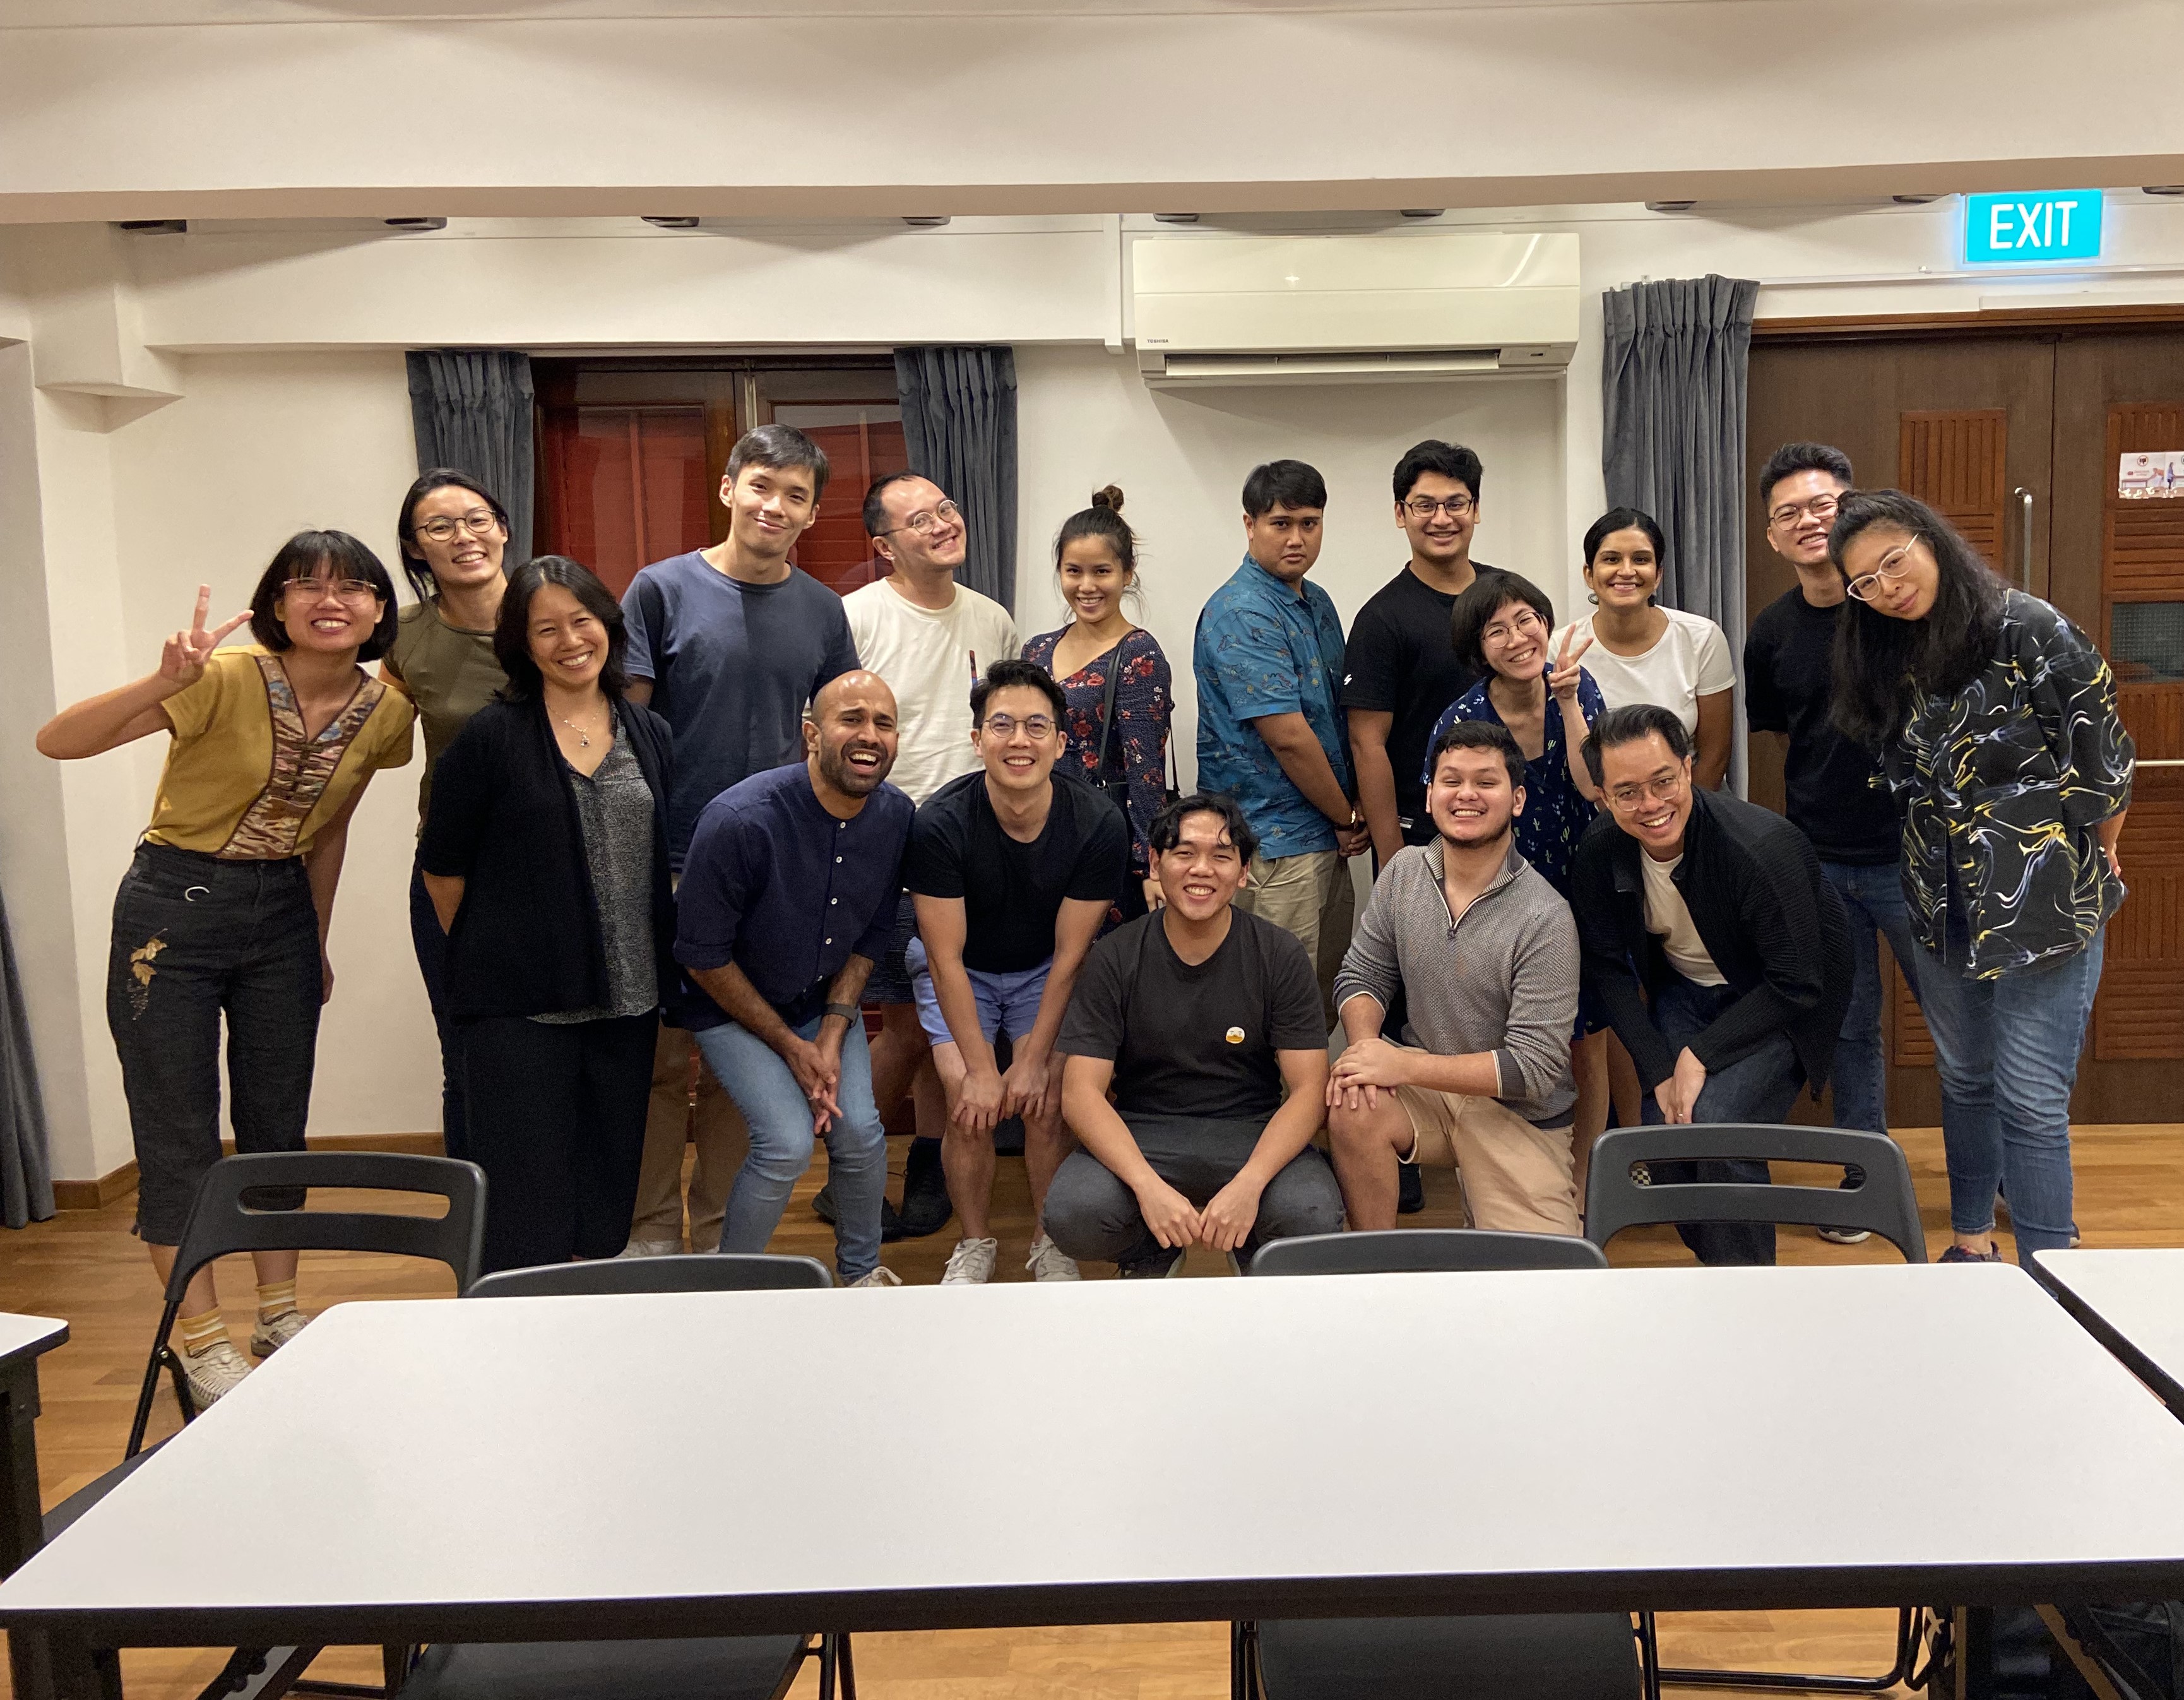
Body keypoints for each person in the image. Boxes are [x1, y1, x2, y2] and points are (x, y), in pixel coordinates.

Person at [37, 537, 414, 1405]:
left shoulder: (387, 712)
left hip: (281, 914)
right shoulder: (225, 677)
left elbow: (330, 828)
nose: (333, 599)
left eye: (355, 587)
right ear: (276, 605)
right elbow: (57, 742)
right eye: (308, 585)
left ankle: (277, 1311)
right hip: (171, 910)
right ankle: (199, 1338)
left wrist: (314, 938)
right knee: (178, 1127)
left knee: (278, 1118)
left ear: (378, 611)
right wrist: (162, 682)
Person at [1831, 490, 2134, 1266]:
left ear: (1930, 540)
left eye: (1892, 560)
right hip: (1941, 900)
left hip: (2045, 904)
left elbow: (2104, 765)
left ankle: (2049, 1272)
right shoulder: (1888, 653)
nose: (1886, 586)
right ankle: (1971, 1244)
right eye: (1864, 581)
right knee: (1964, 1077)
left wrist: (2094, 857)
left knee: (2031, 1098)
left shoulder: (2026, 626)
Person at [619, 424, 859, 1257]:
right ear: (728, 489)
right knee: (657, 1061)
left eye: (795, 495)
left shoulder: (823, 611)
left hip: (775, 873)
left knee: (737, 1066)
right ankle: (650, 1229)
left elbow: (833, 742)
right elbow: (629, 735)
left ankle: (723, 1230)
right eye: (761, 485)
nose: (774, 506)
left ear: (811, 514)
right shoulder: (659, 589)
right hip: (675, 865)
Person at [420, 558, 677, 1275]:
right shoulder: (490, 737)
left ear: (608, 625)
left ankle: (587, 1333)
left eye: (582, 620)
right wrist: (504, 954)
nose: (569, 640)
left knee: (604, 1199)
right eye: (546, 628)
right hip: (519, 1011)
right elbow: (442, 869)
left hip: (629, 1003)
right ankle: (515, 1348)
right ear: (521, 643)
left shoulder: (647, 729)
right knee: (525, 1206)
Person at [1569, 704, 1851, 1266]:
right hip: (1689, 991)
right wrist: (1658, 1069)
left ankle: (1746, 1288)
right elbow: (1605, 967)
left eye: (1663, 781)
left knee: (1719, 1130)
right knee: (1664, 1134)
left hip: (1780, 999)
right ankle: (1719, 1268)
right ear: (1600, 794)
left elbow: (1798, 982)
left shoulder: (1759, 848)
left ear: (1689, 768)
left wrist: (1698, 1056)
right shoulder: (1600, 850)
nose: (1650, 805)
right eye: (1626, 792)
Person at [674, 672, 914, 1288]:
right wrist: (793, 1046)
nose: (868, 735)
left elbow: (871, 934)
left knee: (860, 1132)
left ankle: (860, 1278)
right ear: (812, 734)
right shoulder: (739, 820)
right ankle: (732, 1287)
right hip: (726, 1003)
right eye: (850, 718)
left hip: (820, 1002)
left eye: (883, 722)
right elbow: (701, 957)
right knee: (785, 1144)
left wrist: (832, 1032)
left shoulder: (896, 816)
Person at [1044, 794, 1345, 1277]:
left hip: (1251, 1128)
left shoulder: (1278, 953)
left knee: (1312, 1214)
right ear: (1156, 863)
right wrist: (1147, 1186)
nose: (1201, 869)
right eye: (1184, 853)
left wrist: (1251, 1184)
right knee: (1073, 1213)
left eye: (1221, 856)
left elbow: (1310, 1089)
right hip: (1144, 1130)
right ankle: (1150, 1248)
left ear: (1244, 871)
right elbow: (1080, 1092)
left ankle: (1251, 1246)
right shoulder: (1116, 956)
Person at [906, 660, 1129, 1283]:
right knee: (967, 1102)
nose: (1019, 740)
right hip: (963, 969)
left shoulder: (1097, 823)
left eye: (1036, 726)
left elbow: (1071, 956)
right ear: (977, 740)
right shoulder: (939, 824)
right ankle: (974, 1241)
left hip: (1042, 968)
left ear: (1061, 741)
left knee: (1046, 1099)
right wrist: (981, 1070)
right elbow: (944, 957)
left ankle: (1048, 1238)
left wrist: (1031, 1065)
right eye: (1001, 725)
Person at [845, 470, 1020, 1237]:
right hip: (885, 845)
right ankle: (848, 1155)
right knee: (911, 1026)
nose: (944, 524)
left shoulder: (992, 618)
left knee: (946, 1018)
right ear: (884, 546)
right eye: (920, 519)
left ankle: (928, 1164)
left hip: (973, 850)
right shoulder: (855, 618)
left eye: (947, 508)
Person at [1745, 443, 1912, 1247]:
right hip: (1823, 858)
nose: (1810, 522)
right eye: (1790, 513)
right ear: (1772, 536)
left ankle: (1998, 1179)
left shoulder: (1898, 609)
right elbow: (1782, 737)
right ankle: (1862, 1172)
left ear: (1856, 511)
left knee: (1961, 1022)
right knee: (1849, 1023)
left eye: (1825, 505)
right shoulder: (1771, 631)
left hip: (1918, 856)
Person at [1328, 722, 1584, 1234]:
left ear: (1516, 799)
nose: (1466, 794)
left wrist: (1400, 1064)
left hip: (1518, 1115)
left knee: (1549, 1287)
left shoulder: (1546, 916)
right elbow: (1363, 972)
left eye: (1485, 782)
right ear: (1429, 796)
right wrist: (1365, 1054)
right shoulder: (1402, 872)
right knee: (1353, 1101)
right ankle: (1371, 1266)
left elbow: (1531, 1071)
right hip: (1425, 1089)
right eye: (1451, 780)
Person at [1425, 571, 1610, 1160]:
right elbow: (1451, 817)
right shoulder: (1463, 719)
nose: (1516, 637)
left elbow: (1595, 788)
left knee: (1589, 1044)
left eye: (1525, 619)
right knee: (1513, 1038)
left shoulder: (1582, 690)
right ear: (1477, 649)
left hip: (1586, 886)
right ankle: (1513, 1167)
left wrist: (1567, 701)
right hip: (1505, 897)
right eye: (1496, 630)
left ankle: (1589, 1179)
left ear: (1546, 624)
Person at [1194, 459, 1365, 1004]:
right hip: (1270, 844)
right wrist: (1347, 816)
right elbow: (1288, 736)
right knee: (1271, 1009)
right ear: (1250, 525)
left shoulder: (1315, 602)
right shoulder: (1243, 610)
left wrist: (1345, 814)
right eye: (1281, 523)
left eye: (1310, 523)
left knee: (1318, 1000)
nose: (1297, 538)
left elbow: (1333, 717)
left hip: (1323, 835)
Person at [380, 468, 514, 1163]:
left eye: (476, 518)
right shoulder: (399, 639)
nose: (464, 536)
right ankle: (482, 1230)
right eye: (440, 526)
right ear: (414, 548)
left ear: (502, 527)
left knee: (562, 1048)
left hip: (561, 868)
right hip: (451, 873)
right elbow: (367, 737)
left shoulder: (556, 619)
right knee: (465, 1052)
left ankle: (568, 1228)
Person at [1019, 486, 1173, 919]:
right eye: (1074, 571)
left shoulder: (1139, 653)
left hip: (1105, 845)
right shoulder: (1035, 650)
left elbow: (1146, 771)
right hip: (1035, 838)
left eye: (1101, 571)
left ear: (1127, 573)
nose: (1086, 586)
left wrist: (1151, 865)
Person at [1343, 440, 1488, 866]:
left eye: (1455, 503)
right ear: (1400, 514)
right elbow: (1366, 743)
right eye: (1425, 505)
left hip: (1507, 826)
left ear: (1475, 510)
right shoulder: (1381, 619)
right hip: (1422, 835)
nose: (1441, 518)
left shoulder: (1505, 600)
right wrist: (1394, 865)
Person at [1553, 508, 1734, 792]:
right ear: (1589, 574)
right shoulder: (1563, 649)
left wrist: (1679, 820)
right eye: (1611, 559)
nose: (1626, 571)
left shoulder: (1702, 638)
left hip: (1692, 803)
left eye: (1641, 560)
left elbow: (1715, 756)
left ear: (1658, 574)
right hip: (1601, 809)